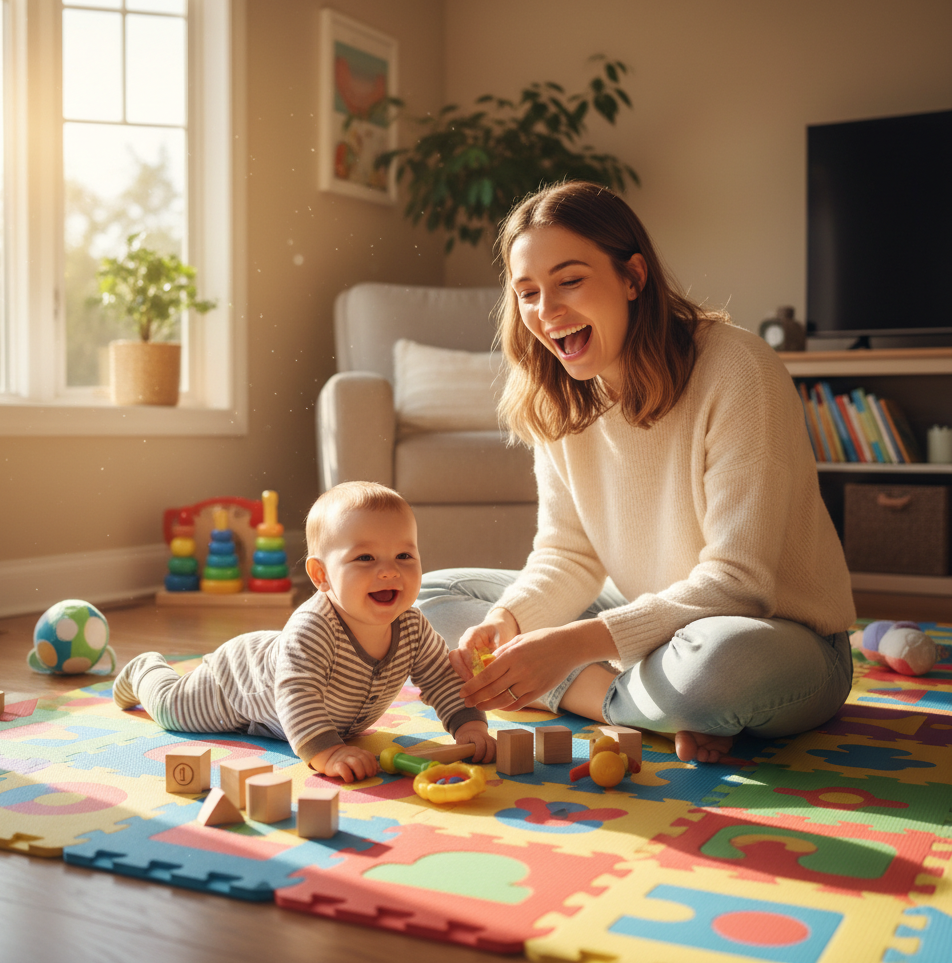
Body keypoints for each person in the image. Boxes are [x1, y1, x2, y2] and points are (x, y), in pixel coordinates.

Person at [417, 180, 855, 764]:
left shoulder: (739, 369)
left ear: (633, 277)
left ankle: (654, 697)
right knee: (430, 600)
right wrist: (506, 624)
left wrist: (569, 646)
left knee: (715, 670)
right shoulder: (558, 398)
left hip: (773, 639)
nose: (546, 313)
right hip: (646, 627)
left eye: (569, 280)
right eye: (527, 293)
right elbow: (568, 555)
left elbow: (740, 586)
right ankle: (633, 705)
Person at [114, 481, 496, 782]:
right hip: (235, 684)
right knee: (171, 709)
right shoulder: (314, 628)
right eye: (365, 558)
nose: (389, 570)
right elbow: (298, 693)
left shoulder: (412, 625)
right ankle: (146, 669)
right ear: (321, 576)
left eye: (404, 556)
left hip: (296, 717)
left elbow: (442, 679)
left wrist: (469, 725)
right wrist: (328, 752)